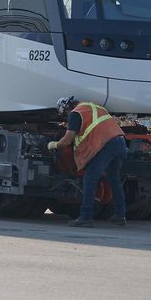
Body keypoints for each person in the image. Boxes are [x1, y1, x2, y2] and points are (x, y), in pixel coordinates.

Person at [47, 96, 127, 227]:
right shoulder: (96, 108)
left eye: (65, 113)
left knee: (89, 179)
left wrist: (55, 144)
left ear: (67, 108)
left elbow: (68, 139)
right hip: (120, 142)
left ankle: (86, 217)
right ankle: (120, 215)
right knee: (114, 179)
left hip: (105, 145)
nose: (67, 116)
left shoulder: (75, 113)